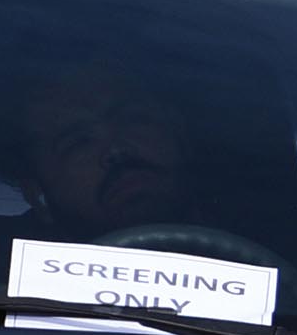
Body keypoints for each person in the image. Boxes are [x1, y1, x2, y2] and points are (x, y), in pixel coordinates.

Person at [14, 61, 194, 240]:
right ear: (37, 196)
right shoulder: (6, 265)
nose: (116, 150)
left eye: (133, 119)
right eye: (79, 142)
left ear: (179, 131)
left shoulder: (223, 213)